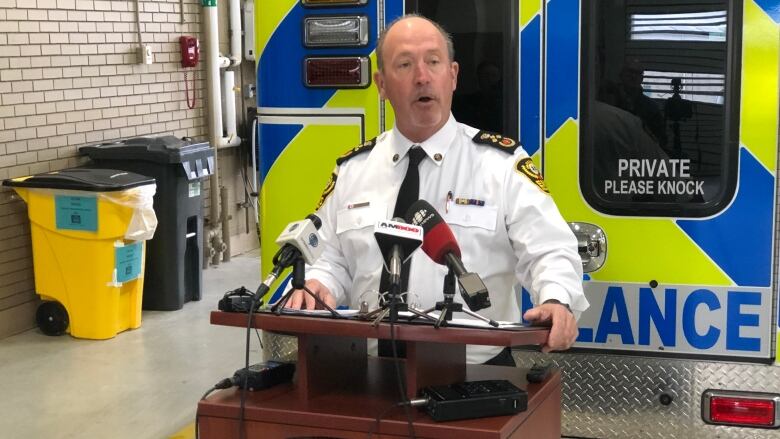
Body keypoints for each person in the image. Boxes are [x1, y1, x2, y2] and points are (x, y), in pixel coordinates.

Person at [285, 14, 587, 365]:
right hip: (368, 370)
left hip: (476, 373)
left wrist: (557, 298)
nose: (422, 77)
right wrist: (319, 284)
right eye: (405, 65)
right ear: (381, 85)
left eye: (433, 62)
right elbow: (331, 258)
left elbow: (549, 249)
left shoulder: (501, 164)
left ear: (453, 76)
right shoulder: (353, 170)